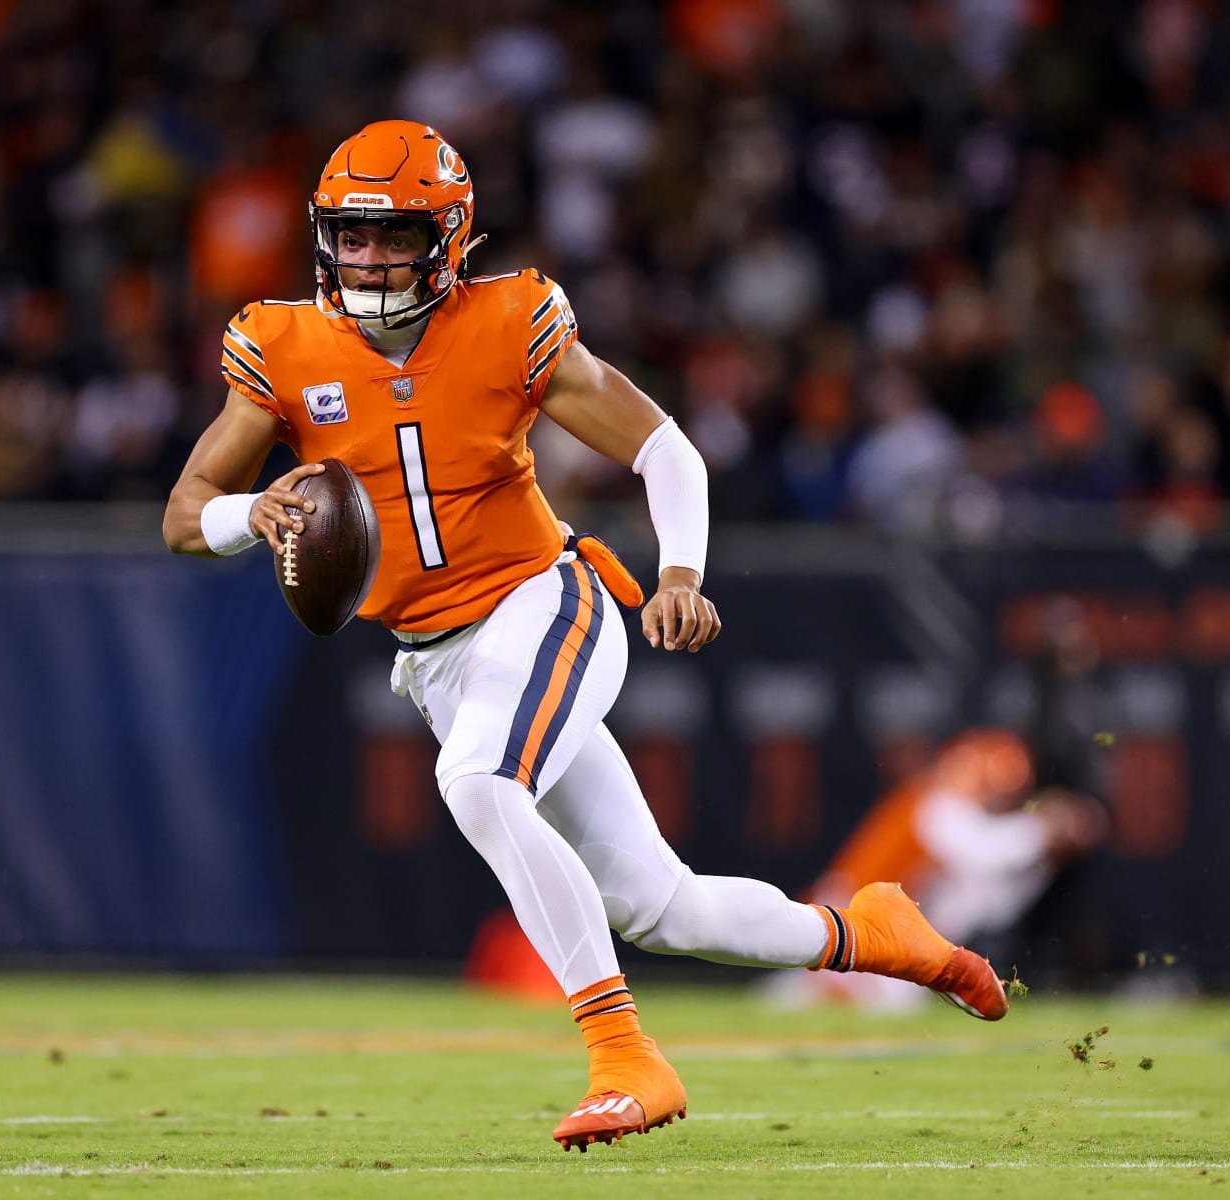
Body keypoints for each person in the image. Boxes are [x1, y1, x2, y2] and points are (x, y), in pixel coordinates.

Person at [162, 120, 1008, 1152]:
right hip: (438, 661)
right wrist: (245, 514)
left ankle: (623, 1056)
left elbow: (666, 449)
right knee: (662, 907)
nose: (370, 259)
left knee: (479, 784)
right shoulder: (284, 348)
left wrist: (681, 572)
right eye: (353, 236)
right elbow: (182, 511)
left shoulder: (510, 319)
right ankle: (877, 934)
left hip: (545, 602)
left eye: (395, 238)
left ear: (450, 238)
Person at [769, 728, 1108, 1011]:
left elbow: (992, 907)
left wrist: (1049, 860)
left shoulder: (962, 822)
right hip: (851, 915)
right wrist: (1044, 828)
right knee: (831, 1000)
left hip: (887, 930)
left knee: (900, 1001)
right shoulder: (932, 805)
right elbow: (987, 853)